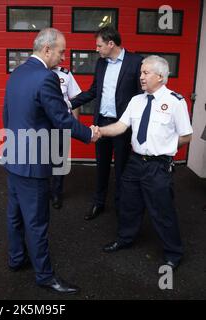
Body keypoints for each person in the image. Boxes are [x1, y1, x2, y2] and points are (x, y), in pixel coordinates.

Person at [3, 27, 99, 294]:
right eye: (61, 51)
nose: (63, 57)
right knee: (37, 222)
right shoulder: (46, 78)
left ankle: (16, 259)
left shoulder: (18, 72)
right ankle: (45, 276)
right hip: (33, 164)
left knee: (15, 215)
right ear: (47, 49)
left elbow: (7, 113)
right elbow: (62, 118)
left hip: (14, 158)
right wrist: (89, 134)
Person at [98, 55, 192, 270]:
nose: (140, 77)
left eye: (145, 73)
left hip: (158, 166)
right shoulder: (136, 100)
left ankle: (173, 253)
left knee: (162, 211)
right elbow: (120, 127)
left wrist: (166, 148)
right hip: (135, 161)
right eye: (141, 72)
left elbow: (186, 136)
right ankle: (125, 239)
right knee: (128, 204)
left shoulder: (175, 102)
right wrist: (99, 131)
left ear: (160, 76)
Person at [70, 26, 143, 220]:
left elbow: (141, 97)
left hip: (122, 126)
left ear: (111, 44)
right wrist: (69, 103)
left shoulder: (136, 62)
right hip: (101, 124)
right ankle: (99, 203)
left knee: (121, 169)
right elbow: (94, 91)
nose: (96, 49)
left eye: (99, 45)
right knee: (101, 166)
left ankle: (121, 207)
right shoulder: (101, 63)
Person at [50, 65, 81, 209]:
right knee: (38, 158)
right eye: (60, 52)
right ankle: (40, 192)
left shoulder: (65, 74)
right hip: (39, 125)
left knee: (59, 160)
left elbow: (74, 98)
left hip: (61, 124)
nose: (62, 57)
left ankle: (56, 193)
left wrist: (74, 124)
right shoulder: (34, 71)